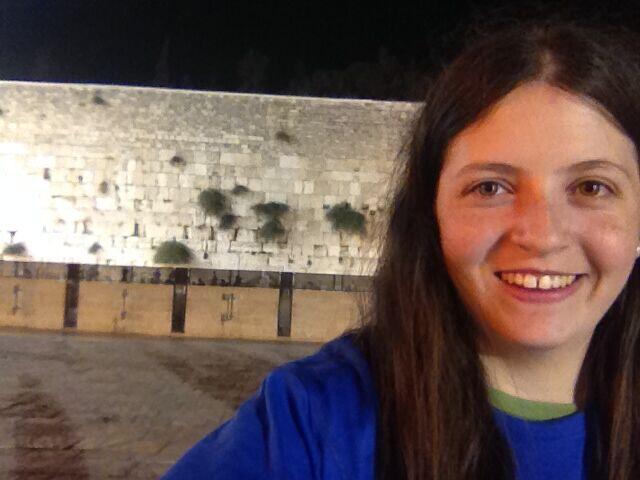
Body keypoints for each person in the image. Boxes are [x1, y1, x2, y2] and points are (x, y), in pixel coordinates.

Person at [162, 22, 640, 479]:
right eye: (491, 187)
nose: (541, 235)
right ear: (430, 215)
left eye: (592, 187)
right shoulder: (314, 421)